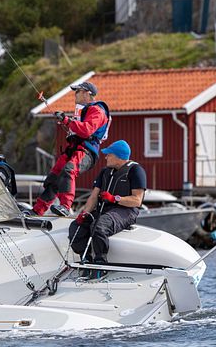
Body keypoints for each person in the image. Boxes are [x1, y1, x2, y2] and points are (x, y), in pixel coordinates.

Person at [68, 140, 146, 278]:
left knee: (99, 226)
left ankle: (101, 263)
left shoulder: (136, 171)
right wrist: (84, 213)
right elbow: (93, 197)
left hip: (125, 210)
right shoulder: (105, 172)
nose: (105, 157)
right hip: (104, 209)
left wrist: (114, 198)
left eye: (108, 155)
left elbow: (137, 200)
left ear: (118, 156)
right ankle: (86, 260)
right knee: (76, 227)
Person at [32, 82, 110, 216]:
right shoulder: (86, 110)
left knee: (69, 170)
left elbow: (86, 130)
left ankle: (65, 207)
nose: (75, 94)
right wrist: (66, 121)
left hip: (86, 151)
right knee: (54, 177)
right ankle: (37, 210)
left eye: (77, 91)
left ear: (87, 93)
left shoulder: (97, 111)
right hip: (74, 148)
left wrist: (67, 121)